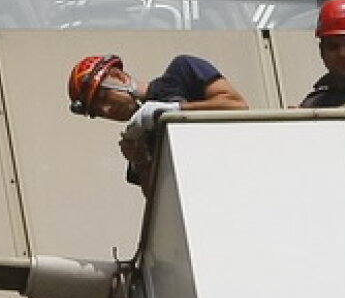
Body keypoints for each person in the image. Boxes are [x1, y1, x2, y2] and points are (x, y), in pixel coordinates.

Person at [67, 53, 247, 194]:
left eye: (104, 97)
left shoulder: (181, 72)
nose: (106, 110)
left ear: (119, 76)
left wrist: (175, 111)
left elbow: (237, 106)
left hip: (238, 173)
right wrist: (141, 162)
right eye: (98, 112)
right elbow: (160, 205)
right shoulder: (139, 136)